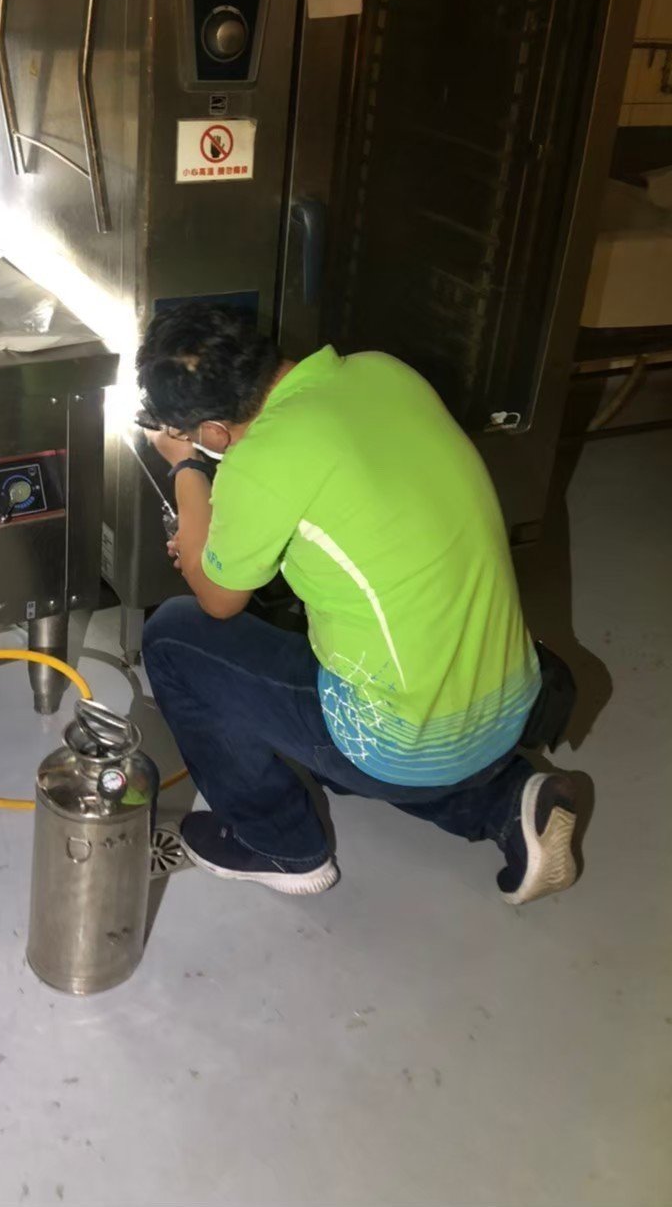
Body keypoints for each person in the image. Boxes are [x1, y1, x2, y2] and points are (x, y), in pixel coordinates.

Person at [137, 302, 580, 903]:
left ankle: (279, 846)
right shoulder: (382, 371)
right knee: (335, 680)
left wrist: (185, 466)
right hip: (511, 701)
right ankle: (506, 802)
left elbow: (217, 599)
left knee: (174, 637)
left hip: (397, 742)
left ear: (214, 432)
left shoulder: (260, 461)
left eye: (192, 434)